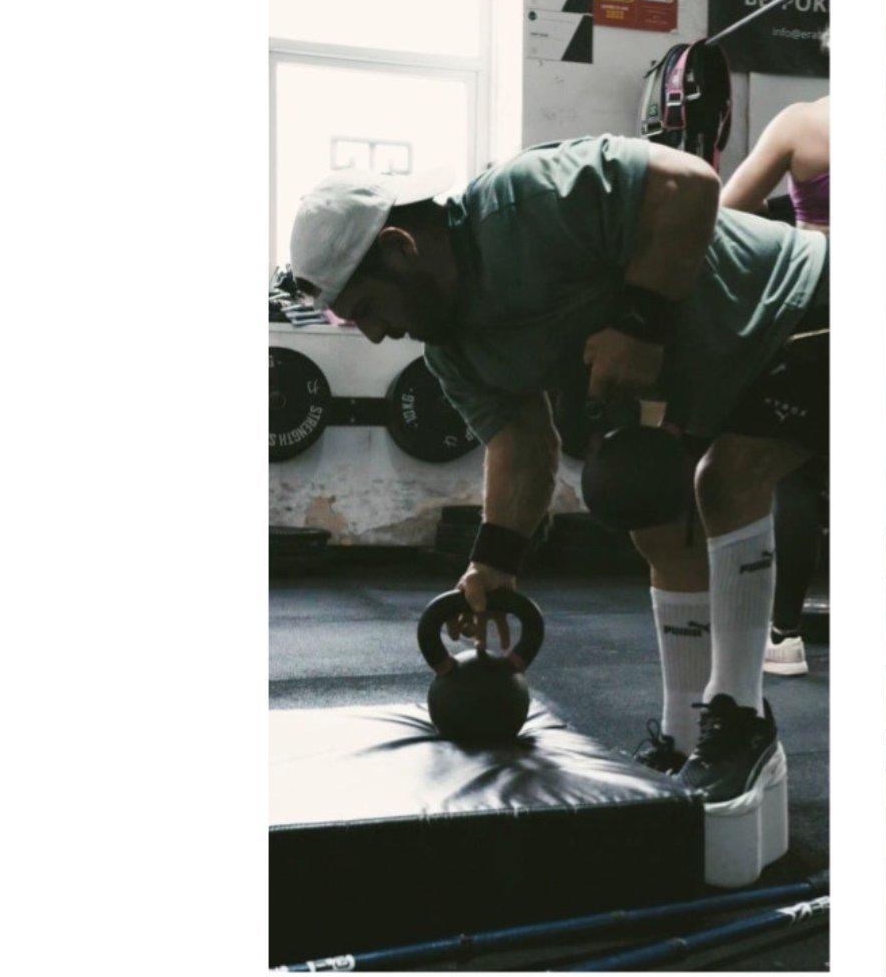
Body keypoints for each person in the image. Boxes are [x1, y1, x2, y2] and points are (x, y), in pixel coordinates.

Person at [287, 134, 827, 809]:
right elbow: (520, 446)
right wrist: (495, 563)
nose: (370, 333)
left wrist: (641, 321)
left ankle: (742, 725)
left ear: (401, 248)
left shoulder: (525, 199)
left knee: (726, 481)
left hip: (801, 305)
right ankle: (688, 735)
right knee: (649, 515)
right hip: (720, 370)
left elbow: (690, 181)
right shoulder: (454, 351)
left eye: (365, 308)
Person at [717, 96, 831, 677]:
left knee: (795, 472)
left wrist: (786, 221)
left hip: (819, 301)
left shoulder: (806, 122)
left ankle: (784, 636)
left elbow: (725, 210)